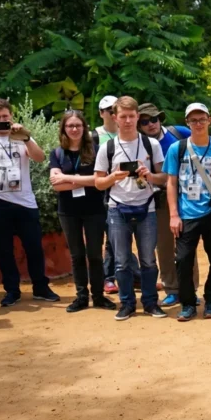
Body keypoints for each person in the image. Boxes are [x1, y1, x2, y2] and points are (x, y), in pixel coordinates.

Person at [0, 98, 60, 307]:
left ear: (11, 116)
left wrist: (27, 137)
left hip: (25, 202)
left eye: (5, 116)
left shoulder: (21, 137)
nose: (2, 121)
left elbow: (39, 158)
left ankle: (41, 287)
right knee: (3, 249)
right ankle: (12, 291)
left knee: (34, 247)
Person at [94, 96, 168, 320]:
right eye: (123, 116)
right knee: (121, 261)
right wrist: (113, 178)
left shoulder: (150, 144)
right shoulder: (107, 147)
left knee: (148, 259)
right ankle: (126, 304)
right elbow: (98, 182)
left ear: (137, 116)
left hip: (147, 207)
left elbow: (163, 177)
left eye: (131, 116)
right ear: (115, 118)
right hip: (117, 208)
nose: (127, 121)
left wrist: (150, 175)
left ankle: (150, 303)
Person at [164, 103, 211, 321]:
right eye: (193, 120)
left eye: (202, 119)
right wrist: (174, 215)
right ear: (187, 123)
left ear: (209, 120)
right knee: (183, 260)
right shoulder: (178, 149)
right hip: (186, 214)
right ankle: (187, 303)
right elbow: (171, 183)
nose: (198, 123)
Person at [49, 110, 117, 312]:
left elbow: (101, 182)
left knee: (95, 254)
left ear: (84, 128)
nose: (74, 129)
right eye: (70, 126)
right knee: (77, 255)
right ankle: (81, 297)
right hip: (68, 211)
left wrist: (69, 178)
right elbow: (56, 185)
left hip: (94, 209)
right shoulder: (57, 153)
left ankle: (98, 296)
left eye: (78, 125)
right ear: (64, 129)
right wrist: (86, 181)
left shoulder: (97, 151)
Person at [137, 103, 195, 306]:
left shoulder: (179, 133)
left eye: (153, 119)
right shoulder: (141, 144)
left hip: (187, 196)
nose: (150, 124)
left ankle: (191, 289)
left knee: (187, 245)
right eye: (144, 122)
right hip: (159, 198)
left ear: (160, 118)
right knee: (164, 246)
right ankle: (171, 289)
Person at [94, 95, 129, 295]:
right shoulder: (95, 136)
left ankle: (132, 275)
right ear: (101, 114)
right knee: (111, 237)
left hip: (130, 192)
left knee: (122, 237)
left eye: (114, 110)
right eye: (108, 110)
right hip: (103, 192)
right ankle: (108, 277)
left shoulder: (130, 133)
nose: (111, 114)